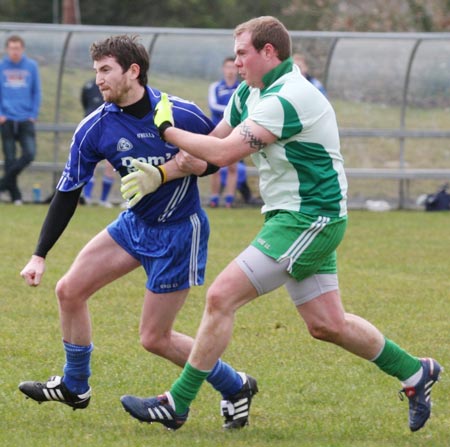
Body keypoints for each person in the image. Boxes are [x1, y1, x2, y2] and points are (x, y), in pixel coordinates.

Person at [120, 16, 441, 433]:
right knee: (328, 325)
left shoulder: (289, 97)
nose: (236, 62)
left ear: (269, 53)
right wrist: (162, 173)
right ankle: (416, 372)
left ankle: (176, 402)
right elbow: (204, 157)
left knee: (221, 297)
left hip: (310, 218)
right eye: (234, 54)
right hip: (292, 217)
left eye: (242, 53)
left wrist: (166, 129)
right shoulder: (248, 94)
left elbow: (222, 153)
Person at [17, 34, 256, 431]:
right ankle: (76, 386)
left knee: (154, 338)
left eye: (106, 70)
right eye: (96, 71)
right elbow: (68, 191)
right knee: (69, 290)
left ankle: (236, 385)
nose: (99, 79)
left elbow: (218, 156)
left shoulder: (180, 113)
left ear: (133, 71)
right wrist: (39, 254)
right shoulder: (96, 126)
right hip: (134, 225)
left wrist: (197, 166)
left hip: (179, 233)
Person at [0, 35, 41, 205]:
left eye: (17, 48)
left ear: (22, 49)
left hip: (26, 119)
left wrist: (33, 114)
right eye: (12, 48)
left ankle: (2, 185)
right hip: (6, 118)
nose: (14, 51)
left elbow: (36, 91)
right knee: (10, 159)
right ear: (7, 49)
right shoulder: (2, 66)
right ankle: (16, 197)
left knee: (29, 154)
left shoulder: (31, 66)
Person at [207, 56, 240, 208]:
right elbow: (213, 106)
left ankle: (229, 199)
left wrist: (233, 113)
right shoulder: (215, 87)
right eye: (227, 67)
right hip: (218, 130)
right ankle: (214, 198)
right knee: (215, 165)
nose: (230, 71)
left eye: (233, 67)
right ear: (223, 69)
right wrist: (233, 111)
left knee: (233, 166)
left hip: (235, 131)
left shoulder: (242, 87)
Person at [80, 78, 115, 207]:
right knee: (91, 163)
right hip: (93, 129)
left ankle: (103, 200)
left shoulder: (115, 85)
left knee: (110, 164)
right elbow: (85, 103)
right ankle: (87, 197)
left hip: (111, 128)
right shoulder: (89, 86)